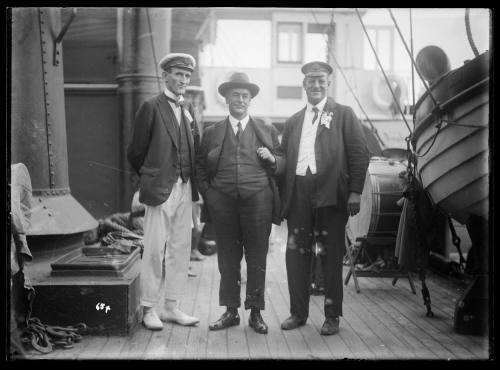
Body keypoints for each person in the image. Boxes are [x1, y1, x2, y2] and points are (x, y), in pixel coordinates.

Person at [278, 61, 369, 335]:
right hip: (299, 195)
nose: (316, 85)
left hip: (331, 195)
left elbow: (358, 154)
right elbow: (283, 157)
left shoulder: (343, 114)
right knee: (296, 254)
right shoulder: (294, 121)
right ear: (304, 84)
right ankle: (298, 313)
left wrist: (354, 192)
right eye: (311, 81)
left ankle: (332, 316)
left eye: (321, 80)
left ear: (328, 83)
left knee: (330, 256)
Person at [195, 72, 283, 334]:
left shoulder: (266, 130)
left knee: (256, 258)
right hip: (222, 203)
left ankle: (255, 313)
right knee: (228, 259)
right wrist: (209, 194)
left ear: (250, 100)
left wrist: (273, 159)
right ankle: (231, 311)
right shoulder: (212, 133)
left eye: (245, 96)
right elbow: (199, 166)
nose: (240, 100)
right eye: (235, 95)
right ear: (226, 99)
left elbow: (282, 161)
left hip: (258, 201)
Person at [127, 53, 200, 330]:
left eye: (186, 75)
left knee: (181, 248)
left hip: (185, 186)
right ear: (165, 76)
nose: (183, 80)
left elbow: (195, 146)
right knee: (155, 249)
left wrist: (192, 186)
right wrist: (151, 177)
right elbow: (135, 152)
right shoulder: (151, 107)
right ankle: (148, 308)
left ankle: (171, 307)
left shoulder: (189, 107)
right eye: (178, 74)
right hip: (160, 188)